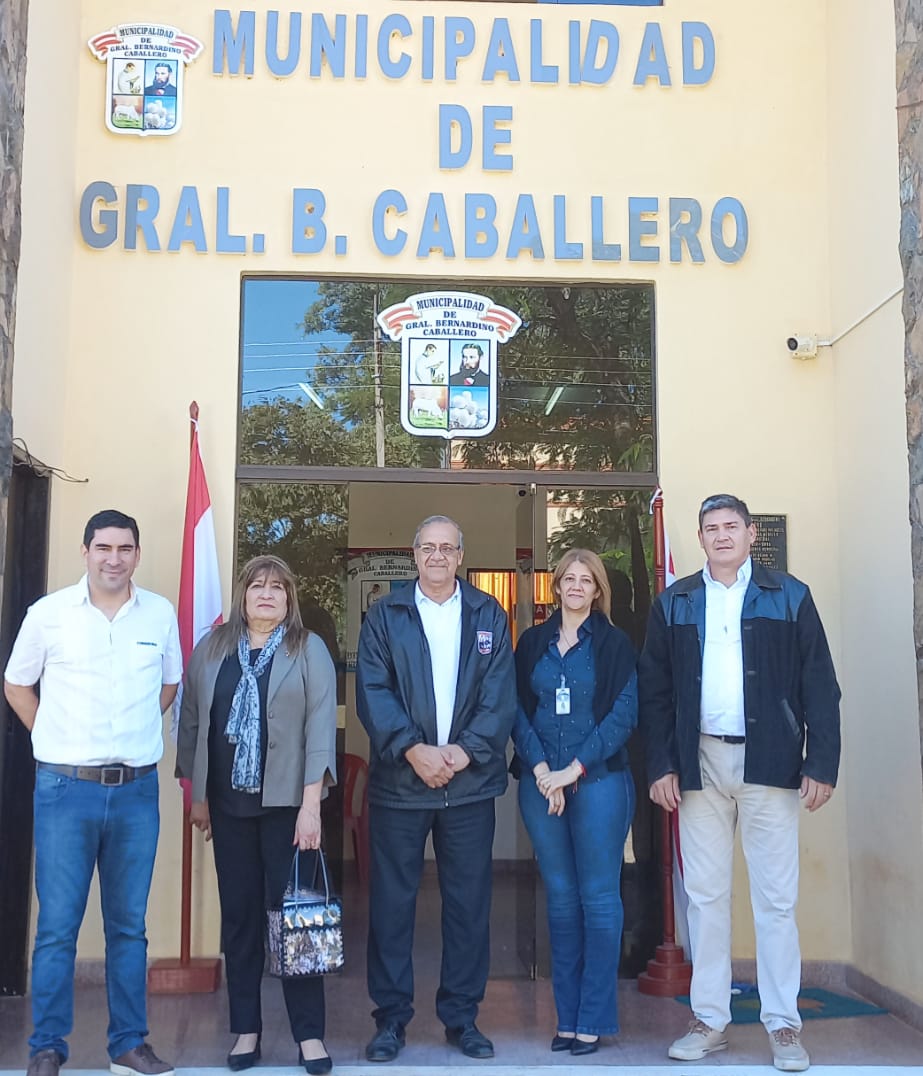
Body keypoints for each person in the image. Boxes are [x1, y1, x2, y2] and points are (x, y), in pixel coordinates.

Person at [638, 494, 841, 1073]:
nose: (722, 535)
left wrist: (820, 762)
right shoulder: (674, 602)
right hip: (697, 763)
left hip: (772, 764)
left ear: (752, 534)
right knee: (704, 899)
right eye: (711, 528)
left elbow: (820, 685)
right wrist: (661, 765)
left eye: (732, 526)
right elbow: (653, 692)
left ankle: (783, 1025)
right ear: (699, 539)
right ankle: (710, 1020)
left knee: (776, 901)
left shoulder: (790, 596)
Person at [3, 509, 182, 1076]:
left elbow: (170, 682)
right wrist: (56, 737)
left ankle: (128, 1045)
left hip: (135, 792)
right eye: (103, 547)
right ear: (85, 551)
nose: (114, 558)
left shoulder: (159, 612)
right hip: (65, 791)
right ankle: (47, 1048)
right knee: (57, 925)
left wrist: (131, 734)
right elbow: (15, 683)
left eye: (125, 548)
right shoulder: (49, 614)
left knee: (128, 926)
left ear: (136, 553)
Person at [356, 515, 516, 1062]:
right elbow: (373, 689)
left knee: (468, 907)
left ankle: (462, 1018)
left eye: (448, 548)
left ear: (461, 556)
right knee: (392, 907)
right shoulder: (386, 614)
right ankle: (391, 1020)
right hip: (402, 785)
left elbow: (500, 694)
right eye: (429, 547)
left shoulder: (487, 612)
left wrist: (464, 751)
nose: (439, 556)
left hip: (468, 788)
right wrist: (413, 749)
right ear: (415, 554)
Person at [175, 555, 337, 1075]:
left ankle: (309, 1036)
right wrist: (197, 797)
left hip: (290, 809)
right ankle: (246, 1030)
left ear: (289, 599)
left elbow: (319, 731)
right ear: (242, 596)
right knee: (241, 920)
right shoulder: (212, 648)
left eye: (277, 588)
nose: (266, 594)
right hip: (228, 809)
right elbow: (193, 721)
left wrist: (311, 807)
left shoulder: (307, 649)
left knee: (297, 919)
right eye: (257, 586)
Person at [512, 549, 637, 1056]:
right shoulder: (532, 642)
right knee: (561, 902)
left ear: (597, 590)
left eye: (588, 580)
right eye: (570, 579)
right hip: (541, 784)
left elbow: (624, 715)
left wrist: (573, 770)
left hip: (599, 782)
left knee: (600, 900)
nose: (578, 587)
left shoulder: (615, 643)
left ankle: (593, 1019)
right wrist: (544, 771)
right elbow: (515, 709)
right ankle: (566, 1021)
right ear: (556, 587)